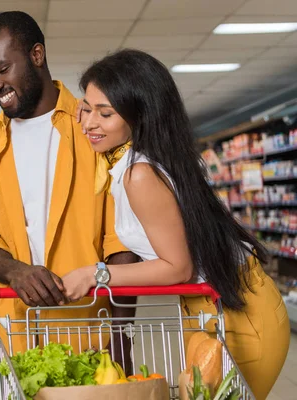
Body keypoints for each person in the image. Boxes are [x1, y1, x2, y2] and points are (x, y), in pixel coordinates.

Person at [62, 49, 290, 399]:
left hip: (239, 314)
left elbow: (177, 267)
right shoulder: (148, 158)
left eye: (104, 113)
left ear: (139, 116)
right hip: (213, 306)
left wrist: (95, 274)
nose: (89, 123)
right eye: (87, 109)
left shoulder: (140, 174)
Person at [0, 11, 138, 355]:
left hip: (90, 337)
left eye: (2, 70)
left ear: (36, 55)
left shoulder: (92, 131)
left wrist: (121, 340)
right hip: (17, 340)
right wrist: (16, 272)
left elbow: (121, 242)